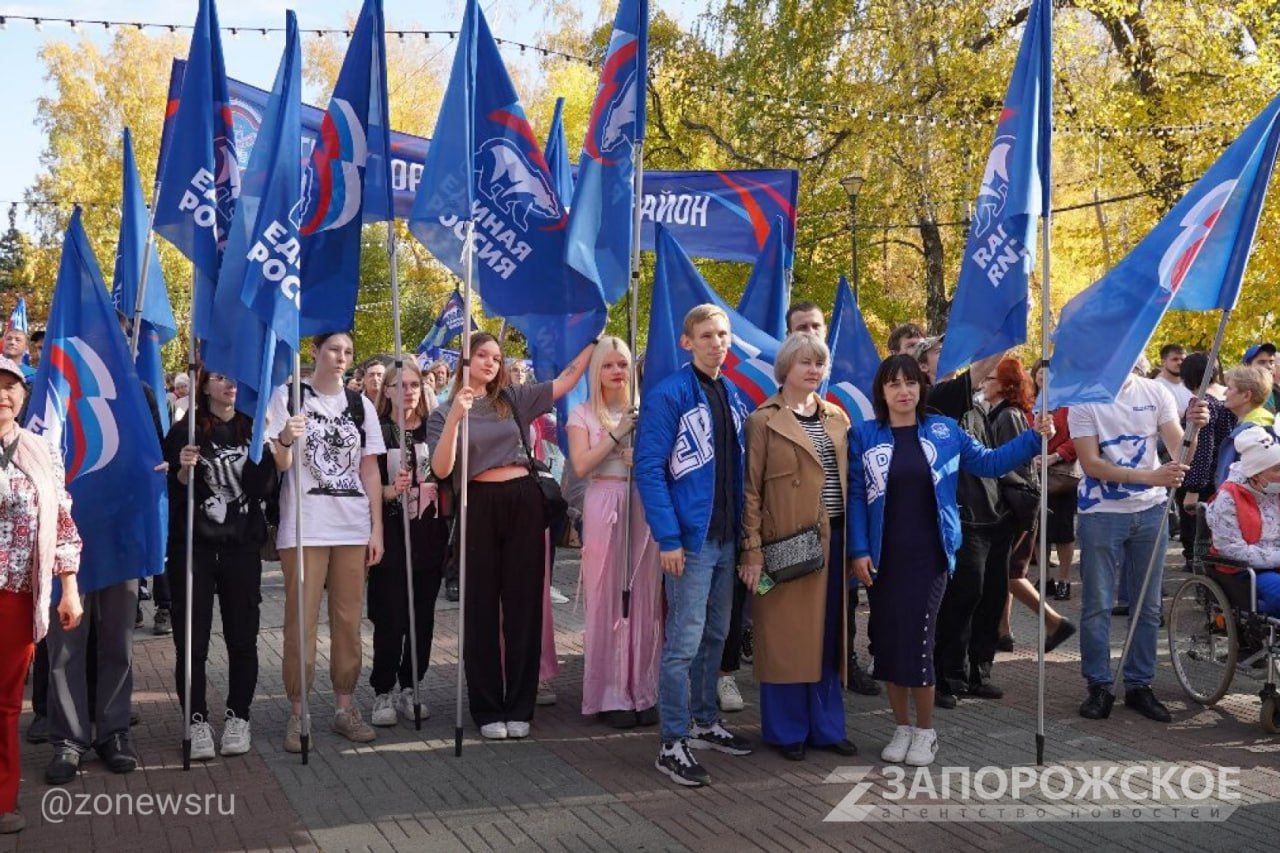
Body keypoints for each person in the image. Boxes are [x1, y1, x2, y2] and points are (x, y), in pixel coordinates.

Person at [848, 354, 1052, 767]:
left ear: (922, 388)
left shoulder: (944, 430)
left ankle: (926, 731)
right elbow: (855, 495)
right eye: (894, 384)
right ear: (881, 391)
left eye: (911, 382)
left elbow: (991, 463)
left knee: (920, 642)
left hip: (931, 556)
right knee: (888, 644)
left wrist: (1033, 437)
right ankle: (902, 726)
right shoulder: (864, 435)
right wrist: (858, 550)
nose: (903, 391)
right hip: (884, 557)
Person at [425, 332, 593, 740]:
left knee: (523, 605)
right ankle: (486, 708)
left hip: (523, 500)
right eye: (481, 355)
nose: (490, 363)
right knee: (481, 607)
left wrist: (590, 338)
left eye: (496, 357)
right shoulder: (444, 411)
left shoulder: (513, 399)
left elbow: (568, 380)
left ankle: (520, 704)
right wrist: (454, 418)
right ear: (464, 361)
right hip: (477, 502)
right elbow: (443, 469)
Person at [635, 304, 754, 788]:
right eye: (706, 335)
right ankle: (672, 742)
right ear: (687, 342)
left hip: (726, 538)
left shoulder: (733, 394)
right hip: (690, 538)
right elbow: (649, 469)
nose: (717, 342)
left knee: (716, 635)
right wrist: (668, 536)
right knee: (683, 642)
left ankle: (705, 722)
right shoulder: (669, 395)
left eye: (723, 334)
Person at [739, 333, 857, 760]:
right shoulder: (762, 421)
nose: (814, 370)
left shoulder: (838, 419)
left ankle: (827, 728)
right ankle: (786, 730)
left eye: (819, 363)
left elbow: (853, 485)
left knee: (827, 639)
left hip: (833, 542)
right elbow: (749, 492)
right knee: (787, 639)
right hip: (783, 546)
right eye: (805, 362)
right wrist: (751, 550)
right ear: (786, 367)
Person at [267, 332, 387, 751]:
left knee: (349, 622)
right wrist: (285, 438)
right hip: (304, 527)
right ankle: (298, 713)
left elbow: (369, 470)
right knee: (301, 622)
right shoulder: (288, 396)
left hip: (351, 527)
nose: (341, 358)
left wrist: (377, 529)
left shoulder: (361, 405)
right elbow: (280, 463)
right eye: (334, 349)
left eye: (349, 352)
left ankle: (344, 707)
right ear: (315, 351)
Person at [1070, 363, 1209, 722]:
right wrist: (1150, 476)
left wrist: (1196, 428)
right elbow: (1091, 464)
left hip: (1150, 513)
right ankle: (1099, 685)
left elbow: (1181, 455)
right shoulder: (1084, 400)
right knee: (1098, 605)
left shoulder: (1156, 392)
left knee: (1147, 607)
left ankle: (1139, 685)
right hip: (1100, 513)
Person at [164, 369, 276, 760]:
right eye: (221, 377)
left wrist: (279, 446)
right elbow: (172, 490)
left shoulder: (252, 428)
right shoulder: (186, 430)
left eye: (235, 378)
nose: (230, 384)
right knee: (192, 640)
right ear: (204, 384)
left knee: (242, 637)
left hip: (241, 548)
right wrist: (182, 469)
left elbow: (263, 487)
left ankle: (238, 716)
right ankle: (195, 721)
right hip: (193, 549)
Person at [0, 356, 82, 834]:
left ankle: (4, 799)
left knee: (8, 702)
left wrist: (69, 587)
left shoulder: (42, 451)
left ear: (24, 395)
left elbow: (64, 524)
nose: (4, 394)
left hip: (17, 596)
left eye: (12, 386)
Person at [567, 336, 661, 729]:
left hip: (641, 502)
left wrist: (639, 458)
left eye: (622, 364)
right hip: (604, 501)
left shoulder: (647, 412)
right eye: (608, 365)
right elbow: (582, 465)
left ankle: (643, 690)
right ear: (597, 372)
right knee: (606, 597)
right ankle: (608, 694)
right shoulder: (582, 414)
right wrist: (617, 434)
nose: (617, 371)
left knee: (644, 599)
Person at [915, 336, 1012, 708]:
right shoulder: (935, 400)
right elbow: (982, 369)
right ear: (924, 366)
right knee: (956, 602)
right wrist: (1011, 328)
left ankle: (972, 672)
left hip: (991, 516)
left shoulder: (975, 407)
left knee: (987, 599)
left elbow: (989, 461)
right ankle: (940, 676)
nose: (951, 351)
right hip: (962, 521)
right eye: (940, 351)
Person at [368, 360, 444, 726]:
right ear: (387, 391)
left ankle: (411, 684)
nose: (409, 391)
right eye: (400, 385)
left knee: (422, 617)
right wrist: (387, 490)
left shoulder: (434, 428)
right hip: (393, 536)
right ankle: (382, 690)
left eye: (415, 384)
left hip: (428, 534)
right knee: (390, 617)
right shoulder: (379, 432)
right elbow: (367, 486)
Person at [986, 359, 1076, 655]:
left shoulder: (1009, 416)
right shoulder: (1003, 413)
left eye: (990, 379)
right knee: (1005, 571)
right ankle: (1002, 631)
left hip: (1015, 505)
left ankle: (1054, 622)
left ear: (1005, 384)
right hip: (1014, 502)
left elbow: (1013, 465)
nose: (983, 384)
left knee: (1010, 572)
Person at [1205, 429, 1280, 616]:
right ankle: (1257, 622)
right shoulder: (1229, 498)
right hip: (1247, 569)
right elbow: (1231, 549)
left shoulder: (1275, 491)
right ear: (1256, 474)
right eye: (1277, 469)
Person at [1175, 353, 1237, 568]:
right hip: (1229, 473)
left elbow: (1203, 446)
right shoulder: (1230, 396)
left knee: (1199, 528)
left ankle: (1199, 564)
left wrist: (1192, 488)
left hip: (1205, 477)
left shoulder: (1202, 403)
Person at [1031, 363, 1080, 601]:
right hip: (1035, 474)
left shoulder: (1069, 406)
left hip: (1061, 479)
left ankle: (1064, 579)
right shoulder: (1028, 403)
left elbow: (1077, 439)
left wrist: (1054, 456)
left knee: (1063, 532)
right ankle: (1045, 577)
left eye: (1047, 374)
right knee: (1039, 530)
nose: (1042, 377)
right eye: (1039, 373)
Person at [1154, 344, 1193, 415]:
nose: (1180, 362)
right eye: (1175, 359)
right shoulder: (1155, 387)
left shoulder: (1191, 386)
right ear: (1163, 362)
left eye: (1183, 359)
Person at [1243, 342, 1278, 413]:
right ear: (1247, 365)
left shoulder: (1276, 392)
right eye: (1262, 362)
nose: (1269, 366)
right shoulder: (1238, 392)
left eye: (1271, 362)